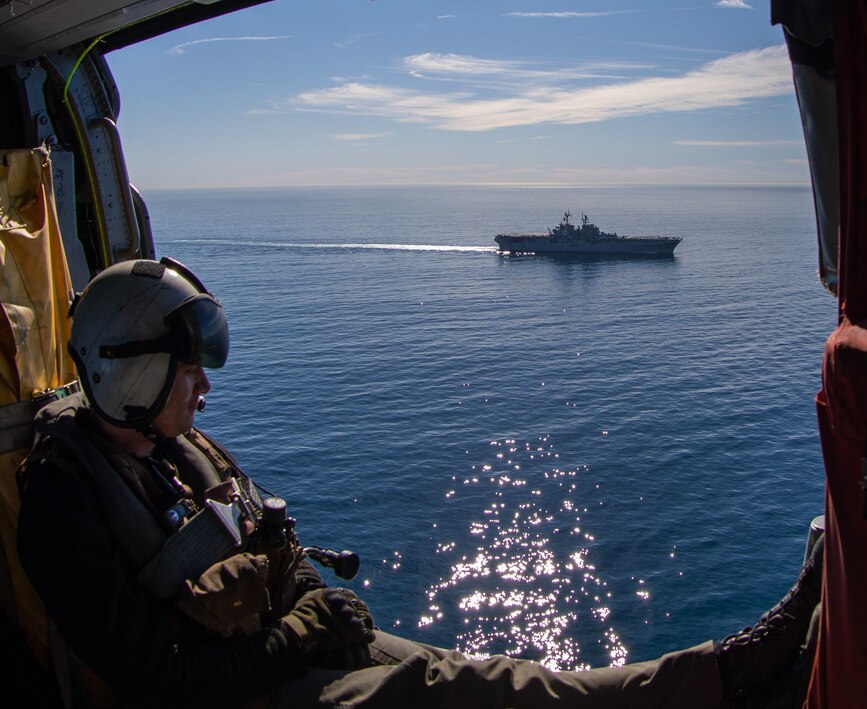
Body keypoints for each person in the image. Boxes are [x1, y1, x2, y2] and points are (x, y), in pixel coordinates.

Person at [16, 257, 823, 708]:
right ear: (129, 370)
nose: (205, 389)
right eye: (187, 370)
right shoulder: (63, 501)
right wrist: (305, 630)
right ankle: (731, 673)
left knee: (489, 676)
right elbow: (162, 682)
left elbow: (271, 540)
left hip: (278, 649)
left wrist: (311, 603)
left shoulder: (180, 447)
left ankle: (725, 674)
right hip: (233, 697)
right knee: (448, 692)